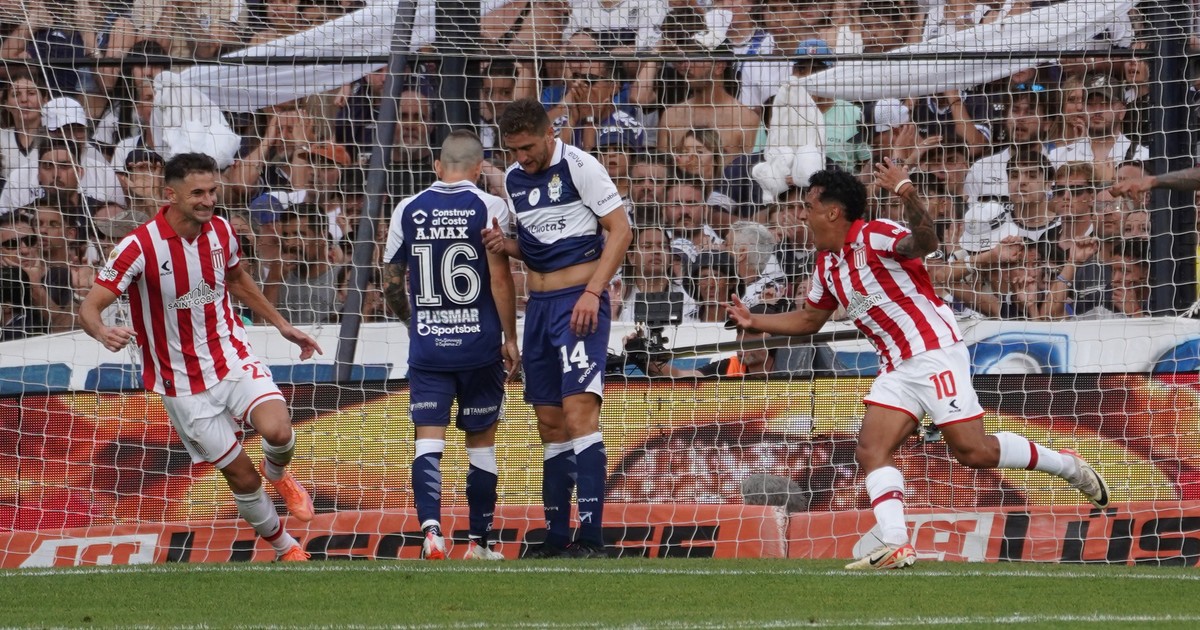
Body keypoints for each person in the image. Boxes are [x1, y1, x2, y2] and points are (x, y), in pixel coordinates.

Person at [725, 164, 1110, 570]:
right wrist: (755, 320)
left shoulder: (875, 235)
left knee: (973, 451)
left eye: (808, 207)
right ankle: (896, 543)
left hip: (932, 349)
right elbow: (809, 320)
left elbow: (925, 242)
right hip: (895, 366)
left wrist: (907, 192)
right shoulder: (826, 265)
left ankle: (1067, 465)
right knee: (871, 449)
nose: (802, 215)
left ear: (833, 212)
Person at [78, 153, 321, 562]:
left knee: (278, 431)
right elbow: (89, 308)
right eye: (197, 193)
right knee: (242, 477)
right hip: (180, 383)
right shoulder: (138, 246)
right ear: (170, 194)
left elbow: (237, 279)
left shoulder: (222, 230)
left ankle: (278, 473)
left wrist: (282, 324)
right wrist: (102, 331)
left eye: (212, 191)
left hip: (229, 354)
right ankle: (286, 548)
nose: (208, 201)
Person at [483, 97, 633, 558]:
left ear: (550, 134)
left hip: (578, 305)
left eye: (528, 147)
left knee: (579, 414)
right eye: (514, 150)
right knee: (548, 421)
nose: (522, 157)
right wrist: (505, 245)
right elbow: (539, 246)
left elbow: (621, 230)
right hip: (539, 309)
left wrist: (593, 291)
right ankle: (556, 536)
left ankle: (591, 537)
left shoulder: (580, 167)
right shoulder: (514, 179)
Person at [382, 131, 520, 561]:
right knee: (481, 444)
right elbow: (500, 280)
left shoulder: (407, 208)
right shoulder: (490, 206)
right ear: (479, 169)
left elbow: (390, 283)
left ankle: (431, 534)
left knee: (428, 441)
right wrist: (510, 337)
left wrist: (414, 324)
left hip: (430, 349)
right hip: (479, 347)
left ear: (437, 167)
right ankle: (479, 542)